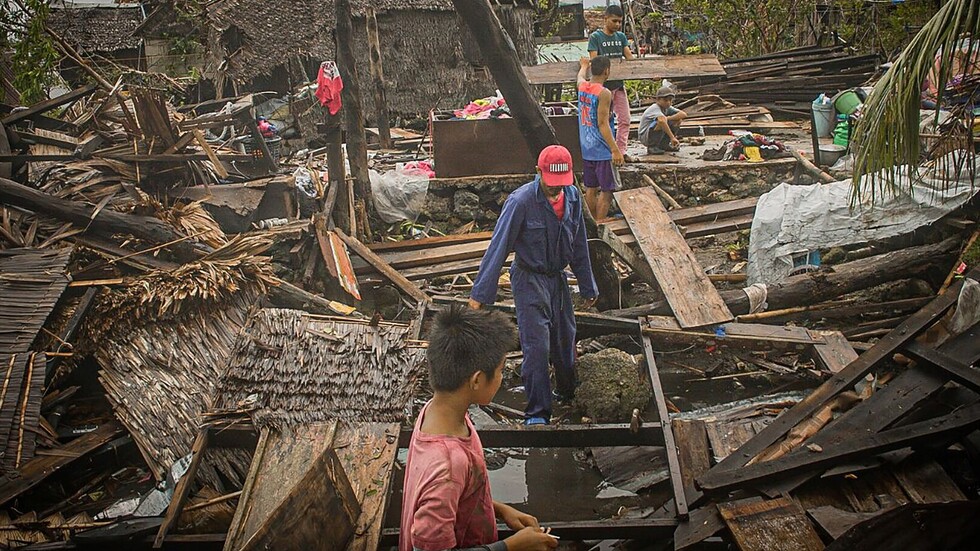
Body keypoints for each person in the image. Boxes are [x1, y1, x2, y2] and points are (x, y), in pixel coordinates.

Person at [399, 305, 559, 551]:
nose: (502, 378)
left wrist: (499, 509)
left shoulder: (437, 410)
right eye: (499, 371)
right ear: (476, 380)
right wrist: (511, 546)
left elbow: (458, 496)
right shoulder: (448, 467)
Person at [468, 145, 598, 426]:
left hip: (557, 279)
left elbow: (579, 247)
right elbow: (498, 247)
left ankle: (566, 390)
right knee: (536, 345)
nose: (556, 190)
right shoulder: (521, 202)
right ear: (538, 173)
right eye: (551, 184)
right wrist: (481, 293)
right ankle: (538, 411)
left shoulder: (573, 198)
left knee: (565, 339)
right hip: (529, 279)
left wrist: (588, 286)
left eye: (560, 185)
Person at [577, 55, 623, 222]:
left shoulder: (582, 87)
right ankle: (600, 222)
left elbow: (580, 76)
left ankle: (591, 222)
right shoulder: (604, 93)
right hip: (601, 148)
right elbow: (603, 124)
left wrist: (583, 66)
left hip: (586, 147)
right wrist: (615, 149)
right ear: (607, 71)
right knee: (606, 190)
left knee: (590, 188)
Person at [588, 4, 634, 157]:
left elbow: (630, 59)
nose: (617, 24)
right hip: (602, 89)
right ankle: (606, 151)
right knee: (603, 120)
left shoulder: (620, 37)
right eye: (614, 21)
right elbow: (594, 62)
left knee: (625, 119)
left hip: (618, 86)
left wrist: (646, 70)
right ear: (605, 18)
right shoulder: (596, 37)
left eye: (620, 22)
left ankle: (621, 151)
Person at [638, 85, 687, 154]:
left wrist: (668, 118)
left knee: (678, 120)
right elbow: (661, 121)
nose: (668, 103)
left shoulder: (667, 108)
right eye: (665, 100)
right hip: (645, 136)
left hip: (654, 131)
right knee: (660, 122)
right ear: (658, 100)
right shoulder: (655, 108)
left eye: (670, 100)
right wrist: (672, 137)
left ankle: (664, 144)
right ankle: (652, 147)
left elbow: (683, 114)